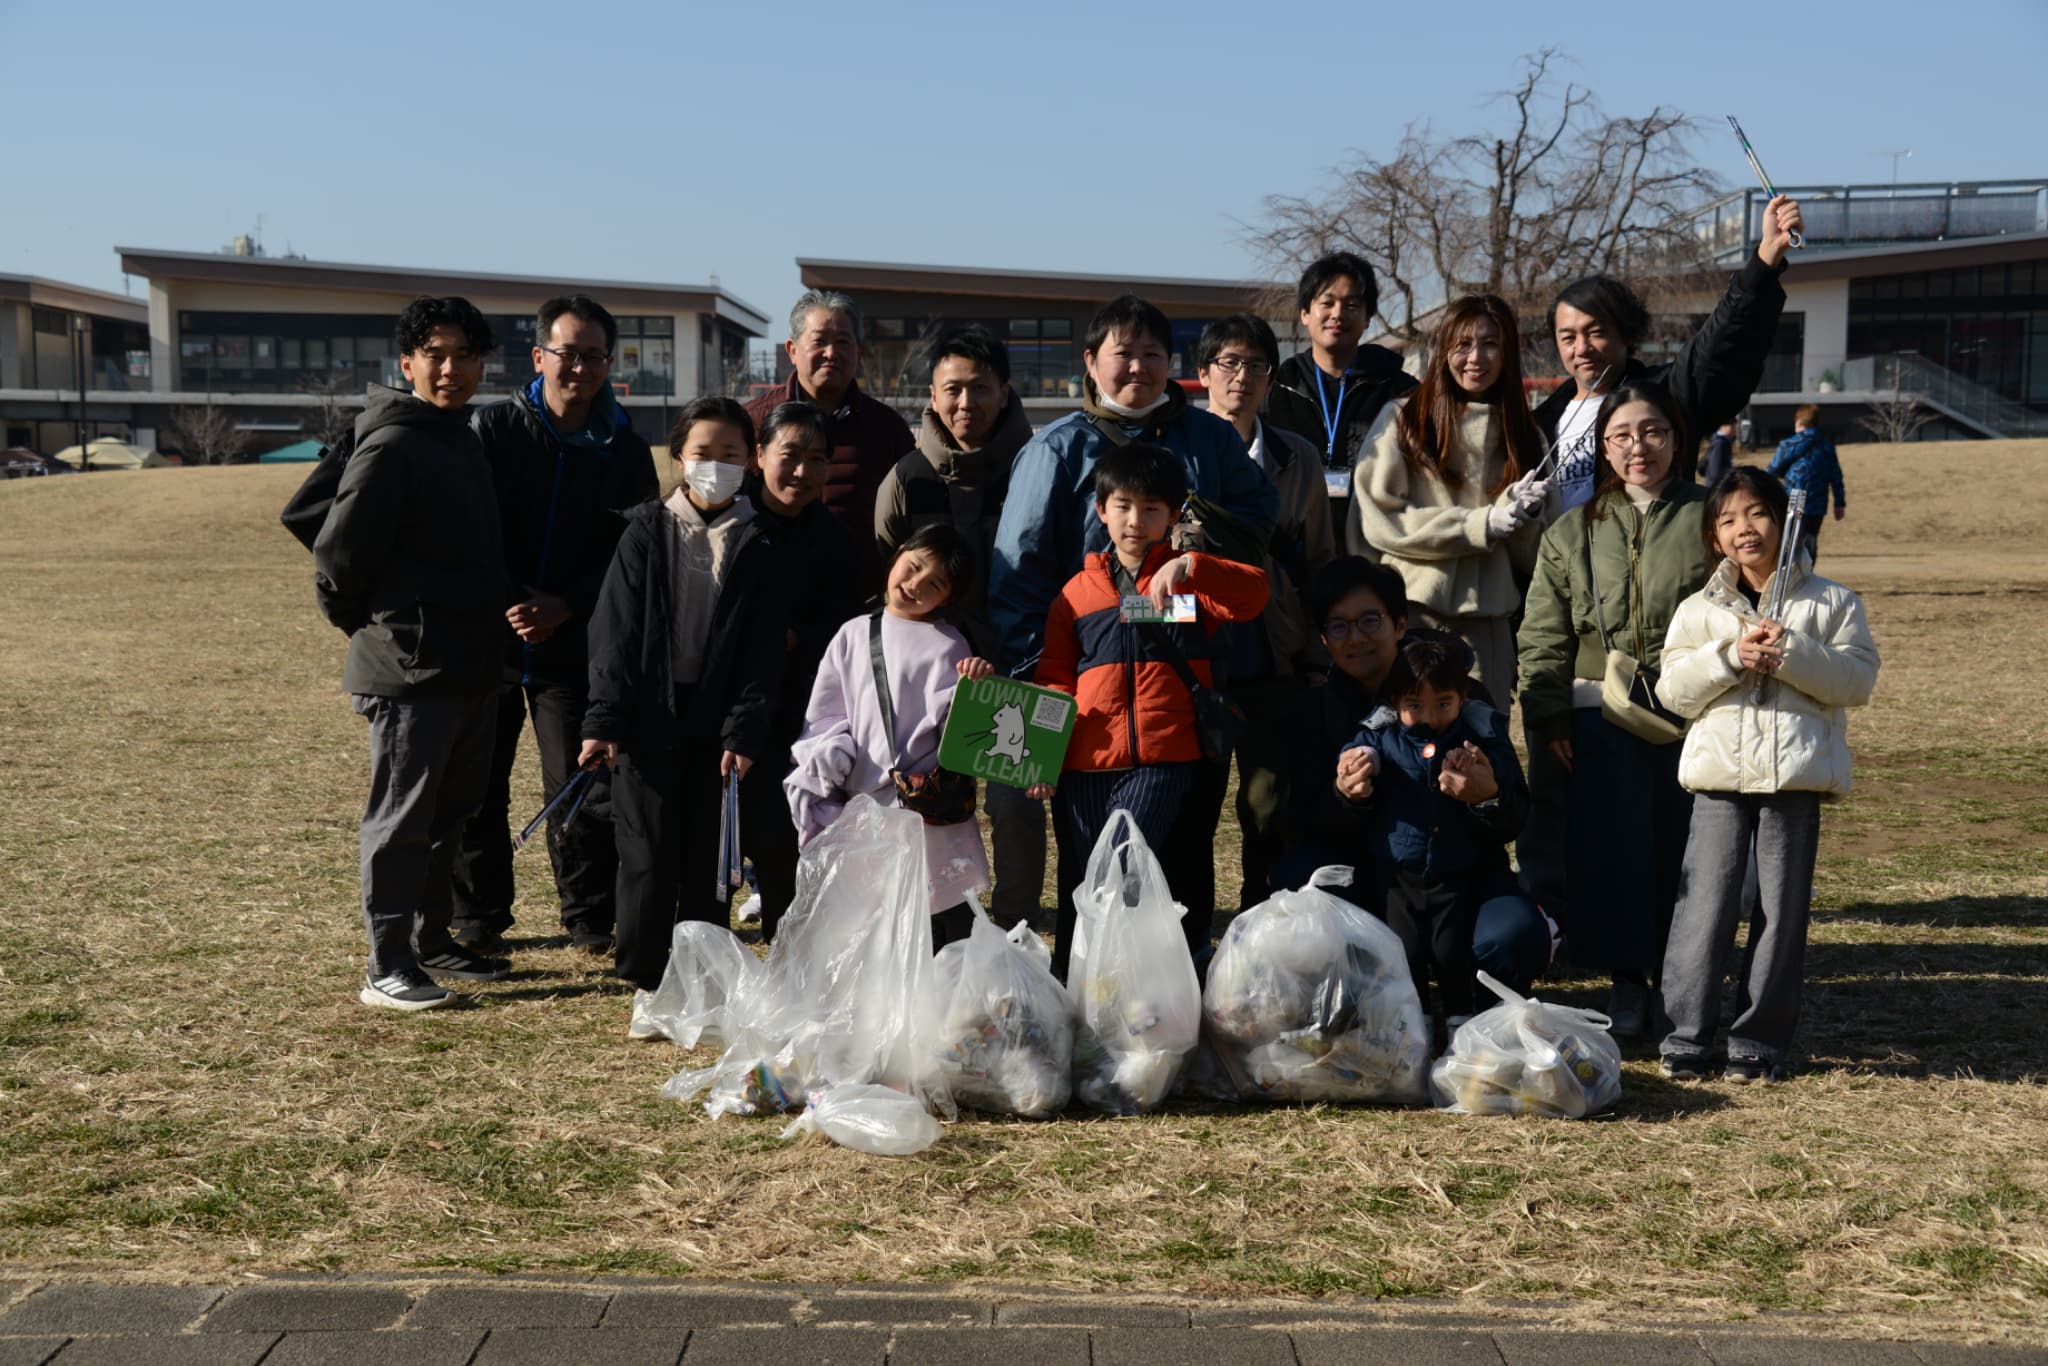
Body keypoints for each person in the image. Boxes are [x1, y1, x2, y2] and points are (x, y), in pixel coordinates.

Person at [1519, 196, 1804, 927]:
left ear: (1626, 337)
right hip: (1574, 630)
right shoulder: (1544, 420)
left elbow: (1723, 347)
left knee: (1660, 820)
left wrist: (1762, 265)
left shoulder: (1661, 399)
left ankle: (1671, 941)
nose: (1582, 348)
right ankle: (1558, 923)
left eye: (1597, 332)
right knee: (1569, 805)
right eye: (1567, 336)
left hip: (1668, 652)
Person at [989, 293, 1278, 955]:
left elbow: (1261, 517)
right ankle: (1088, 983)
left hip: (1185, 689)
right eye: (1124, 353)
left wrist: (1201, 547)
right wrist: (1042, 702)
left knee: (1185, 854)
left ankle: (1180, 984)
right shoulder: (1055, 448)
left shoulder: (1209, 436)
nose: (1140, 368)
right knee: (1091, 862)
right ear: (1091, 362)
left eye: (1154, 354)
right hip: (1089, 693)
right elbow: (1018, 572)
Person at [312, 296, 511, 1010]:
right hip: (409, 668)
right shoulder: (394, 443)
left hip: (468, 663)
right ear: (407, 363)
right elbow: (338, 557)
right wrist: (379, 631)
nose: (449, 369)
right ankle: (387, 964)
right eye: (434, 355)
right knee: (400, 821)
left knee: (448, 814)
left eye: (463, 355)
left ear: (482, 364)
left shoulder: (461, 438)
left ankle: (430, 940)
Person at [1655, 468, 1879, 1081]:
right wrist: (1730, 656)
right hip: (1718, 781)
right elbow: (1673, 691)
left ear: (1784, 522)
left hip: (1794, 782)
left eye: (1756, 513)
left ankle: (1759, 1041)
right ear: (1714, 536)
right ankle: (1686, 1037)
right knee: (1703, 909)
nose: (1743, 529)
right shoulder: (1698, 610)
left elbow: (1857, 681)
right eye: (1727, 519)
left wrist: (1792, 652)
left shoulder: (1832, 602)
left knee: (1781, 915)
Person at [578, 398, 793, 1033]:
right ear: (678, 458)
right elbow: (613, 634)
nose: (715, 465)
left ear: (750, 462)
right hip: (648, 717)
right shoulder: (646, 530)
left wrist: (745, 729)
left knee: (708, 861)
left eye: (731, 454)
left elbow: (762, 653)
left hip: (718, 723)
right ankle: (645, 977)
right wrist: (604, 720)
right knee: (646, 853)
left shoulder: (761, 542)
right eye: (703, 453)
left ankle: (703, 977)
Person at [452, 294, 656, 958]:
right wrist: (514, 602)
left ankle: (589, 915)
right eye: (567, 353)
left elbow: (633, 552)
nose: (580, 368)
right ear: (539, 357)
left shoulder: (625, 448)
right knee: (477, 783)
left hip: (575, 641)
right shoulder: (493, 429)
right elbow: (468, 531)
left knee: (580, 780)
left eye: (594, 356)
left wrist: (566, 604)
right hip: (492, 637)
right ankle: (478, 915)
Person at [1028, 442, 1270, 977]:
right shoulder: (1075, 593)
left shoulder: (1191, 580)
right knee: (1085, 880)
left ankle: (1149, 981)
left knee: (1119, 865)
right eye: (1123, 506)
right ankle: (1087, 987)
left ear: (1173, 513)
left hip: (1165, 758)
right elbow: (1055, 677)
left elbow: (1254, 596)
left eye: (1151, 509)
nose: (1135, 521)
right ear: (1102, 510)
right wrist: (1042, 756)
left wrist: (1191, 565)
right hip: (1084, 762)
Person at [1517, 383, 1713, 1035]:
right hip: (1599, 712)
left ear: (1676, 438)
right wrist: (1550, 717)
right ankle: (1628, 982)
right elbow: (1543, 633)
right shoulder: (1572, 530)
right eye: (1622, 435)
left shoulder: (1710, 516)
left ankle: (1685, 982)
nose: (1638, 447)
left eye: (1653, 431)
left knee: (1687, 853)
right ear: (1603, 447)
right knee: (1614, 854)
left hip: (1696, 708)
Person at [1279, 557, 1555, 995]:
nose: (1356, 638)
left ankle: (1476, 991)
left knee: (1514, 936)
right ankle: (1359, 987)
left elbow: (1515, 814)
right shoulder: (1316, 712)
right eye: (1339, 626)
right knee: (1295, 882)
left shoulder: (1461, 695)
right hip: (1374, 879)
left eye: (1370, 621)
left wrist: (1486, 797)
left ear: (1400, 624)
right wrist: (1346, 797)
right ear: (1324, 639)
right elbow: (1304, 822)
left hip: (1461, 876)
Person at [873, 326, 1042, 930]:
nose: (966, 403)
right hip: (926, 678)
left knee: (1014, 804)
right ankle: (936, 921)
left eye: (980, 388)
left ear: (1005, 392)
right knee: (923, 799)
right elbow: (889, 567)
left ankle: (1016, 924)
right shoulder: (906, 477)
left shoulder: (1035, 468)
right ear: (933, 395)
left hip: (1012, 668)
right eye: (953, 389)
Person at [786, 525, 996, 950]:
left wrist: (975, 691)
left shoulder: (950, 646)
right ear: (899, 553)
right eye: (913, 567)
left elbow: (961, 737)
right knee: (866, 930)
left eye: (933, 584)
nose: (915, 584)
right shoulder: (852, 634)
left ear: (948, 598)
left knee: (934, 929)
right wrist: (831, 753)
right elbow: (826, 715)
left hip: (925, 815)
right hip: (861, 809)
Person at [1196, 312, 1337, 911]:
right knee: (1194, 804)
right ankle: (1190, 929)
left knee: (1270, 803)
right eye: (1229, 362)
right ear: (1203, 372)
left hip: (1274, 650)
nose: (1242, 376)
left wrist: (1316, 653)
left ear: (1271, 378)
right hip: (1195, 652)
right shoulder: (1176, 450)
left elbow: (1319, 562)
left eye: (1256, 365)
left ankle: (1263, 918)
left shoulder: (1296, 456)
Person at [1346, 294, 1552, 698]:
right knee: (1407, 732)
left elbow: (1538, 557)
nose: (1476, 357)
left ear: (1509, 353)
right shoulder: (1403, 419)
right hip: (1409, 617)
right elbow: (1379, 520)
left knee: (1482, 733)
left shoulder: (1526, 435)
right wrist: (1481, 524)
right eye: (1463, 344)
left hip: (1488, 625)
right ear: (1443, 351)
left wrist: (1527, 516)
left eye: (1490, 344)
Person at [1337, 635, 1533, 1024]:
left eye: (1443, 703)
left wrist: (1483, 784)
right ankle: (1414, 1022)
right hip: (1396, 869)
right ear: (1396, 703)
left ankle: (1460, 1019)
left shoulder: (1477, 734)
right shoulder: (1383, 732)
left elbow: (1510, 791)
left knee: (1450, 950)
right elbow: (1362, 747)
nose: (1429, 717)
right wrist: (1359, 763)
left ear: (1462, 697)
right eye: (1414, 705)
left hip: (1456, 867)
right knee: (1404, 950)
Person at [740, 401, 866, 942]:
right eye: (789, 455)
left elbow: (843, 629)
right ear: (759, 454)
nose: (802, 471)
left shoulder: (835, 539)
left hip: (797, 709)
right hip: (724, 705)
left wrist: (798, 637)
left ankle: (786, 943)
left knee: (782, 834)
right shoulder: (731, 522)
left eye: (817, 459)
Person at [745, 290, 914, 595]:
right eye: (819, 341)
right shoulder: (753, 422)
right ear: (792, 350)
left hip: (858, 601)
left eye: (843, 342)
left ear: (860, 353)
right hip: (766, 598)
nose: (831, 353)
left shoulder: (888, 429)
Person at [1263, 251, 1418, 484]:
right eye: (1327, 303)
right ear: (1305, 314)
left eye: (1352, 305)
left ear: (1367, 318)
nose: (1337, 314)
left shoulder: (1402, 392)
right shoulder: (1277, 390)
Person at [1766, 405, 1847, 563]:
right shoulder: (1826, 447)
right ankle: (1807, 572)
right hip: (1817, 501)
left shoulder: (1789, 445)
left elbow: (1772, 470)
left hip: (1792, 498)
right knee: (1810, 540)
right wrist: (1839, 502)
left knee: (1789, 539)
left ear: (1798, 422)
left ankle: (1787, 571)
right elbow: (1836, 476)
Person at [1702, 422, 1737, 488]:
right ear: (1722, 427)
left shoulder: (1724, 441)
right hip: (1716, 487)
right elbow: (1715, 471)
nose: (1735, 429)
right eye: (1732, 426)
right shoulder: (1719, 443)